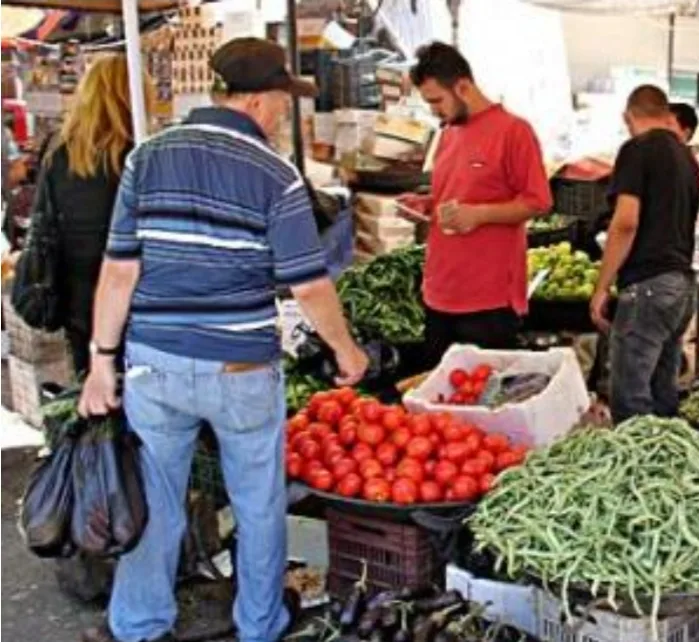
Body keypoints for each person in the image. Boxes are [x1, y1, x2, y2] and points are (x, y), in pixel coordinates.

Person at [78, 38, 369, 642]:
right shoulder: (274, 173)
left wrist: (100, 362)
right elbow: (309, 286)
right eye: (281, 103)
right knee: (258, 501)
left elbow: (119, 270)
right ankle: (258, 625)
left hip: (154, 364)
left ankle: (138, 625)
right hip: (240, 368)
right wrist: (346, 351)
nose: (280, 115)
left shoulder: (146, 157)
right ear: (260, 102)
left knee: (153, 497)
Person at [398, 42, 552, 366]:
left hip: (488, 300)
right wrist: (426, 205)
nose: (434, 111)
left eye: (437, 100)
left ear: (463, 86)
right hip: (440, 291)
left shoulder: (514, 131)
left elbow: (538, 201)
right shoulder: (449, 133)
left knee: (483, 402)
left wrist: (480, 215)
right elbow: (454, 194)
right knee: (436, 399)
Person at [589, 86, 699, 425]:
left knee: (630, 399)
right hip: (681, 286)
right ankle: (670, 466)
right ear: (666, 114)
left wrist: (602, 286)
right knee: (663, 393)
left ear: (628, 117)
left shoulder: (636, 150)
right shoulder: (688, 159)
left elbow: (625, 222)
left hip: (648, 286)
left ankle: (637, 471)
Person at [30, 56, 149, 374]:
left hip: (77, 297)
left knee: (93, 388)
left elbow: (43, 221)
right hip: (140, 294)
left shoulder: (59, 152)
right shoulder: (142, 154)